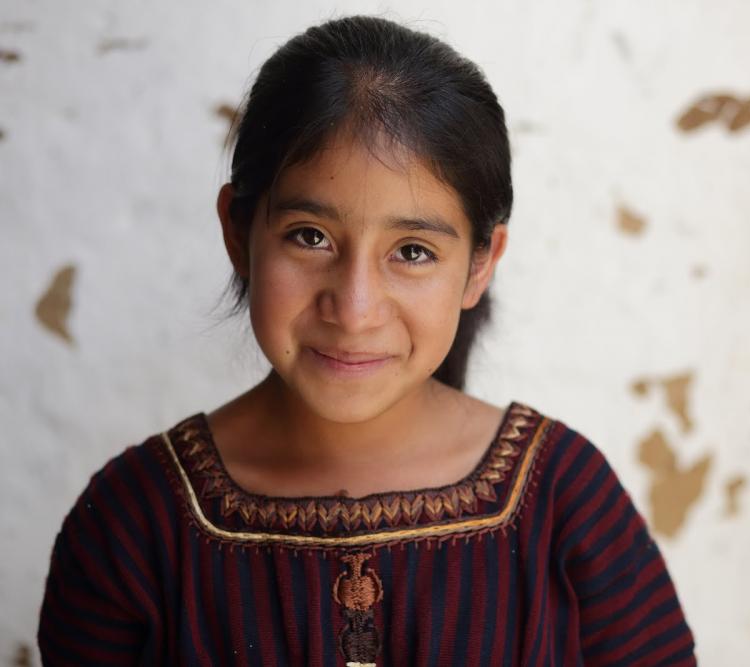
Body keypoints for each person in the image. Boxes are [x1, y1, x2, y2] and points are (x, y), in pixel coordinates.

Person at [37, 14, 697, 666]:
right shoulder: (130, 526)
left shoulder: (565, 501)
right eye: (310, 237)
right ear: (239, 234)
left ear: (479, 263)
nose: (353, 310)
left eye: (411, 251)